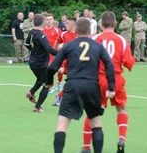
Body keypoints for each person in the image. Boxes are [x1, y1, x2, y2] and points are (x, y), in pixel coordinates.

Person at [45, 17, 115, 153]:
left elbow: (52, 67)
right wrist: (111, 87)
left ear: (76, 30)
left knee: (62, 125)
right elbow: (109, 65)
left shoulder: (69, 46)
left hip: (72, 85)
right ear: (90, 30)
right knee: (96, 124)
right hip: (92, 86)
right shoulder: (97, 46)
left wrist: (49, 82)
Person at [82, 11, 135, 153]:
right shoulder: (121, 40)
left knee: (92, 114)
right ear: (115, 23)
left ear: (100, 24)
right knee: (121, 109)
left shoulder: (94, 39)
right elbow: (129, 64)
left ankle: (86, 148)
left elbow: (87, 60)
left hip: (98, 80)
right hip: (116, 80)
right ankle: (122, 138)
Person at [24, 14, 58, 112]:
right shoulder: (41, 35)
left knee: (40, 79)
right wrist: (63, 53)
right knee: (47, 84)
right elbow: (49, 49)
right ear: (43, 22)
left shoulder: (32, 32)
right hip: (40, 64)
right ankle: (37, 107)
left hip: (33, 62)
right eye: (45, 20)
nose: (47, 22)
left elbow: (26, 44)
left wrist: (33, 51)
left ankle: (31, 92)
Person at [51, 17, 77, 105]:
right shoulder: (64, 34)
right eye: (66, 23)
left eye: (67, 23)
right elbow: (57, 42)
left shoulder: (80, 34)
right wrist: (55, 54)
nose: (65, 25)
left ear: (74, 25)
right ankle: (60, 96)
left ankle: (60, 95)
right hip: (68, 62)